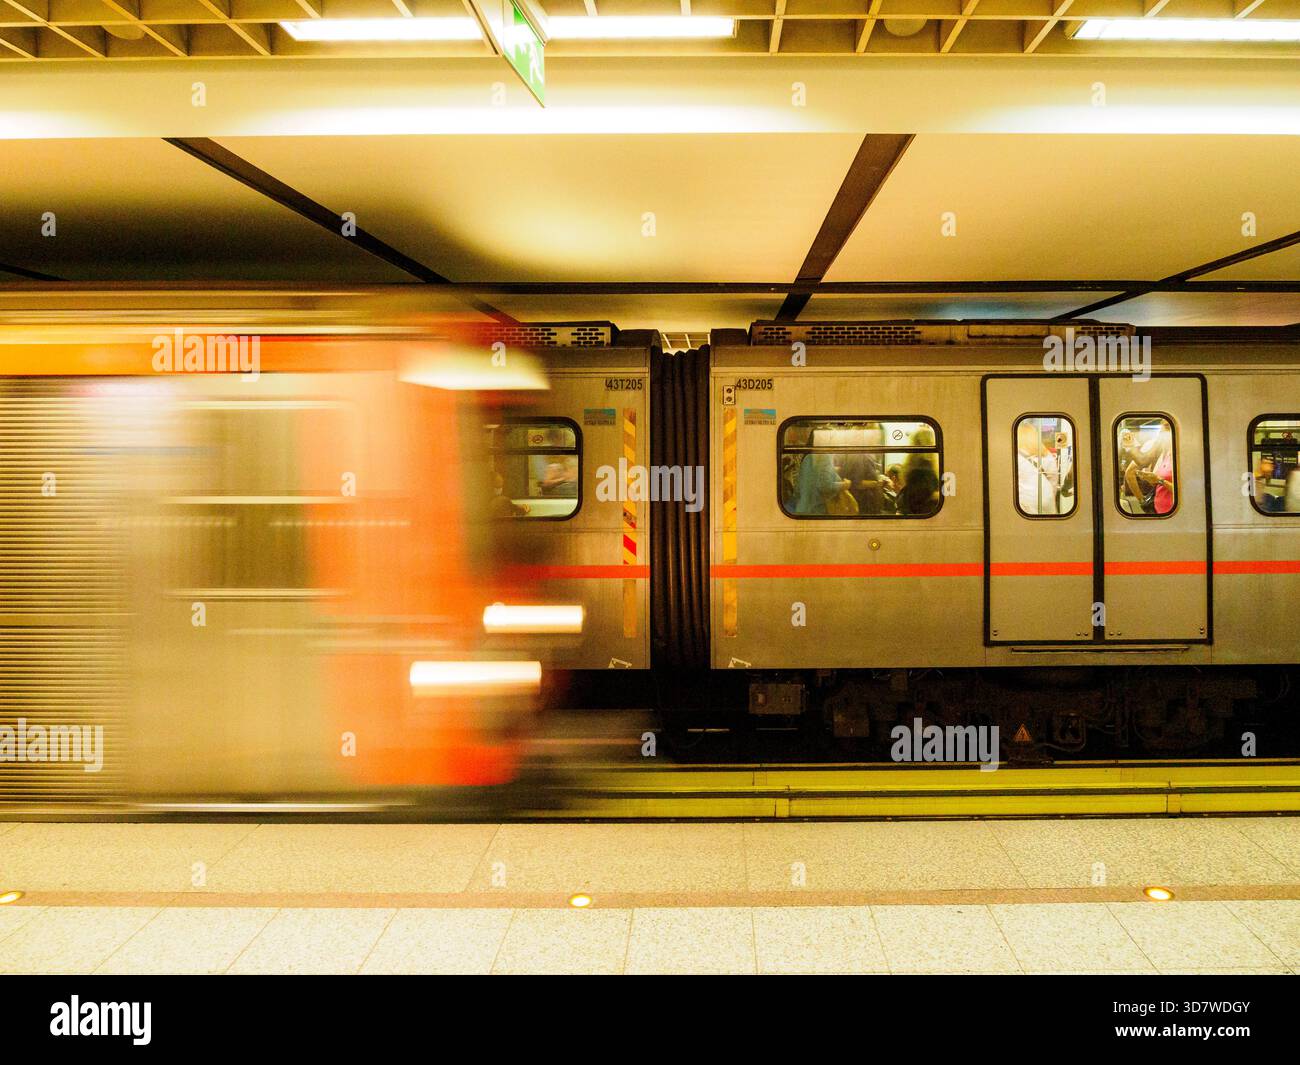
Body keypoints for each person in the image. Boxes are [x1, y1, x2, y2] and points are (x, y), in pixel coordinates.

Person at [1016, 419, 1059, 515]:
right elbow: (1053, 481)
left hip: (1025, 502)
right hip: (1047, 499)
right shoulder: (1047, 455)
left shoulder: (1015, 456)